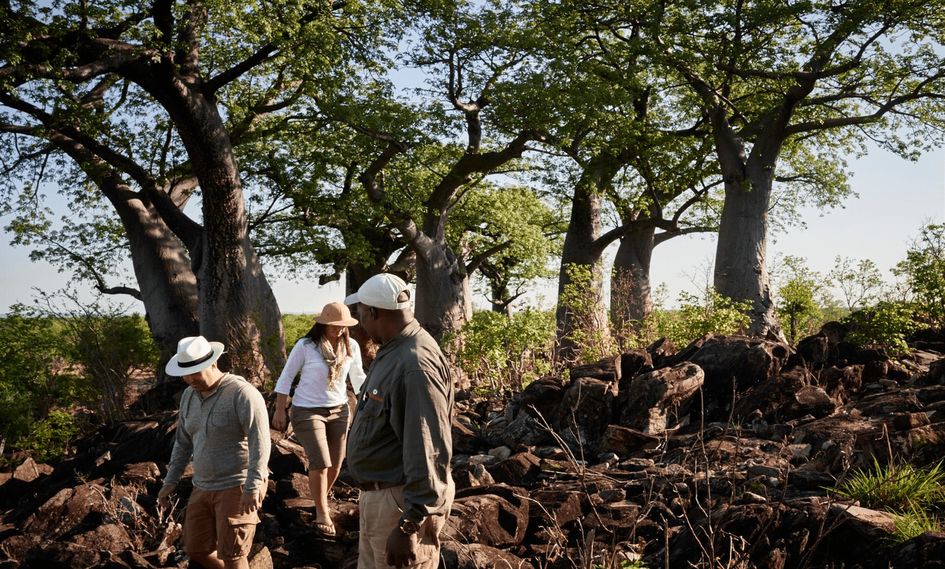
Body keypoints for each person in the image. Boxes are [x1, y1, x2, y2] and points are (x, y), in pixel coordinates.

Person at [345, 273, 455, 569]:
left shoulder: (414, 363)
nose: (360, 323)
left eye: (361, 314)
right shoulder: (394, 349)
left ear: (373, 312)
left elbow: (427, 446)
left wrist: (411, 524)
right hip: (382, 499)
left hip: (400, 504)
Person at [157, 336, 271, 569]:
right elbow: (182, 442)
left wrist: (252, 485)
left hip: (237, 484)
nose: (190, 379)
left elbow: (261, 441)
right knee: (195, 548)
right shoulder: (189, 396)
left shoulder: (242, 393)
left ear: (213, 363)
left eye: (195, 372)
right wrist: (171, 480)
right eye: (185, 374)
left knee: (233, 554)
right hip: (203, 485)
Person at [271, 301, 366, 537]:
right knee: (321, 462)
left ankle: (318, 498)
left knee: (335, 463)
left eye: (344, 326)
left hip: (339, 410)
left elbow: (358, 378)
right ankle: (322, 511)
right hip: (307, 410)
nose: (340, 329)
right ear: (323, 324)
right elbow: (285, 378)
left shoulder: (351, 346)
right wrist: (280, 410)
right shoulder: (306, 346)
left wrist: (373, 399)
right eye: (335, 325)